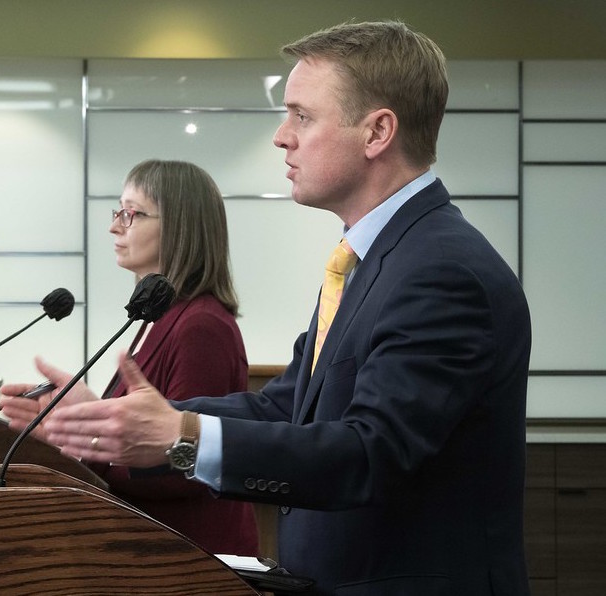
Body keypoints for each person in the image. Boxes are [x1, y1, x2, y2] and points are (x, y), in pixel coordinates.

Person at [32, 21, 533, 596]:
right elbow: (287, 408)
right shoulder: (367, 259)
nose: (280, 136)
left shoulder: (441, 270)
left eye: (301, 116)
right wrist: (123, 419)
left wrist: (182, 435)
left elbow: (370, 453)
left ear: (377, 132)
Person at [0, 159, 259, 556]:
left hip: (192, 559)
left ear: (178, 226)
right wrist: (72, 434)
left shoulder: (202, 327)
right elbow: (140, 435)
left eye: (131, 214)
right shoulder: (157, 320)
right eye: (117, 212)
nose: (115, 226)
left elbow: (183, 465)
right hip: (148, 548)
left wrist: (89, 438)